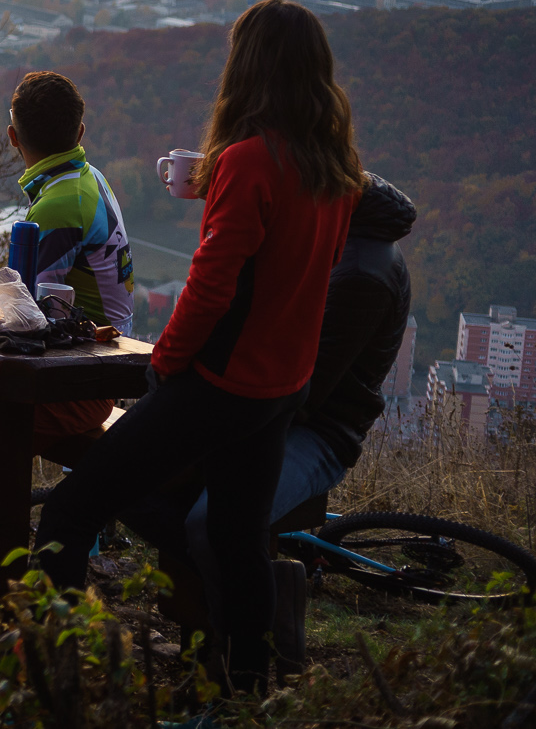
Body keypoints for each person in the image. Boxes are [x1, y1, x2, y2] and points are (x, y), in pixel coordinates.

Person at [35, 0, 364, 697]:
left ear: (247, 68)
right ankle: (246, 686)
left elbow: (210, 289)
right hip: (280, 388)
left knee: (73, 508)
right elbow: (310, 266)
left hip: (219, 380)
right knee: (238, 537)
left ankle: (50, 680)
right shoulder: (337, 171)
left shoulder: (248, 162)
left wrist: (163, 365)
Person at [122, 174, 415, 608]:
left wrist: (214, 426)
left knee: (211, 522)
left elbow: (308, 392)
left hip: (318, 432)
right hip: (273, 405)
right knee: (130, 476)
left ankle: (259, 609)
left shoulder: (361, 273)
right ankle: (248, 588)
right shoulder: (344, 244)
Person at [3, 71, 137, 463]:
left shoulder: (59, 205)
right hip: (101, 365)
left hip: (82, 384)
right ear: (79, 133)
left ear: (13, 137)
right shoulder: (87, 178)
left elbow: (29, 319)